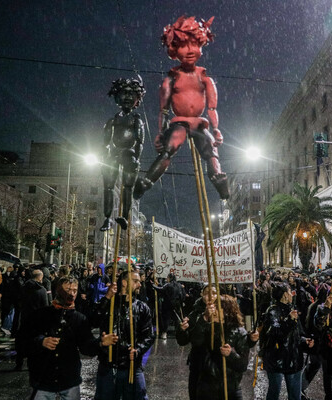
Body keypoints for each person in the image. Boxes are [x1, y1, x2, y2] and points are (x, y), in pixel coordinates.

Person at [133, 15, 229, 200]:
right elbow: (164, 109)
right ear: (174, 50)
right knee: (169, 147)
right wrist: (160, 132)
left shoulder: (205, 79)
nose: (190, 50)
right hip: (180, 122)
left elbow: (212, 108)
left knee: (210, 149)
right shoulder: (171, 79)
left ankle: (219, 180)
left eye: (195, 45)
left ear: (201, 45)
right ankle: (145, 182)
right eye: (184, 46)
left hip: (199, 123)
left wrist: (216, 129)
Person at [24, 276, 116, 399]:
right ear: (58, 290)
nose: (72, 294)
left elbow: (86, 346)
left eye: (75, 290)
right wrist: (41, 341)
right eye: (68, 290)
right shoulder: (41, 315)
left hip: (69, 379)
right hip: (43, 379)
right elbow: (24, 341)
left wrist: (100, 343)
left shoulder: (79, 318)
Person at [92, 269, 154, 400]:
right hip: (109, 365)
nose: (140, 284)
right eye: (136, 281)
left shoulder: (142, 307)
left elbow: (148, 335)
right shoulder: (109, 304)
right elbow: (93, 320)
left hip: (132, 365)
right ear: (124, 283)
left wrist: (138, 349)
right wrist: (107, 297)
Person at [100, 77, 146, 231]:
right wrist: (104, 157)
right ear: (117, 97)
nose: (127, 97)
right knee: (108, 186)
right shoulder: (112, 121)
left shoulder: (136, 120)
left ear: (137, 99)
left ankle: (124, 217)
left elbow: (140, 140)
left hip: (129, 155)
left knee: (128, 187)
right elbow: (105, 142)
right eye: (123, 94)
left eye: (131, 94)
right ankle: (107, 218)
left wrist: (136, 159)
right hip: (113, 155)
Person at [260, 282, 314, 400]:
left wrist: (305, 341)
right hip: (276, 360)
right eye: (290, 291)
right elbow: (274, 333)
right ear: (284, 295)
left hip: (293, 358)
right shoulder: (272, 311)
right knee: (274, 392)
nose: (292, 294)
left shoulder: (292, 309)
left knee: (295, 395)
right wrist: (289, 320)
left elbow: (297, 334)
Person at [190, 295, 251, 400]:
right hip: (207, 387)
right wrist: (204, 318)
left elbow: (243, 365)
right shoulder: (207, 327)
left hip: (231, 389)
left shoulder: (240, 332)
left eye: (217, 307)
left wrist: (231, 355)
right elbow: (195, 341)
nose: (213, 310)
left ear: (227, 311)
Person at [15, 269, 49, 370]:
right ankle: (34, 364)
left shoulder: (24, 288)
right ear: (40, 277)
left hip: (25, 318)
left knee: (21, 342)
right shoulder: (42, 290)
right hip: (37, 320)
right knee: (36, 343)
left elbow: (19, 301)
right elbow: (45, 306)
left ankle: (19, 363)